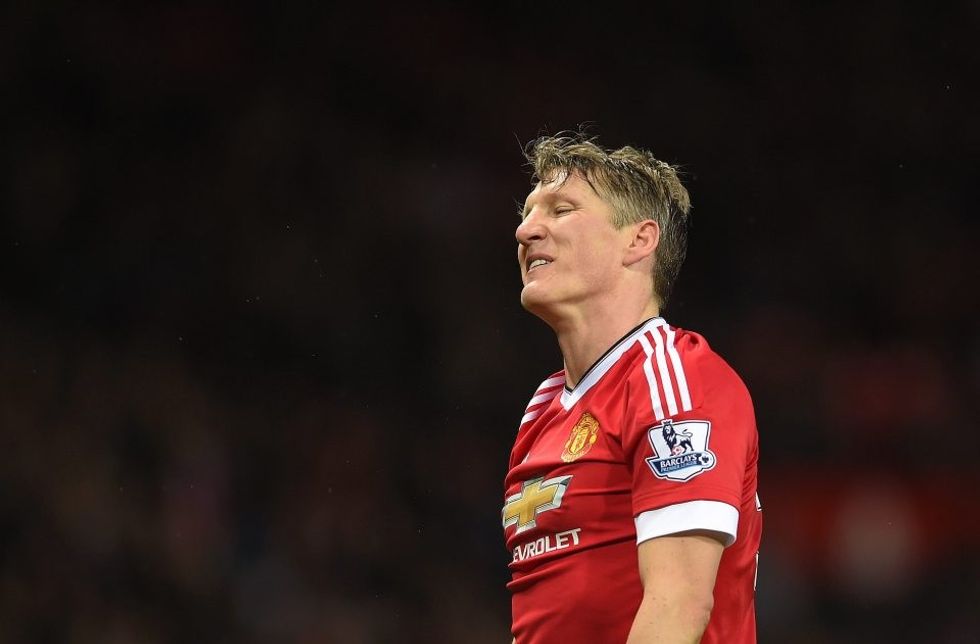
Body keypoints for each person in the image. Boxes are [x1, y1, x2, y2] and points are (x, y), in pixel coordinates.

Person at [502, 133, 762, 643]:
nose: (526, 229)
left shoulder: (676, 380)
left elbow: (678, 605)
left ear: (639, 241)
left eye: (561, 210)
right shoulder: (543, 408)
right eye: (529, 212)